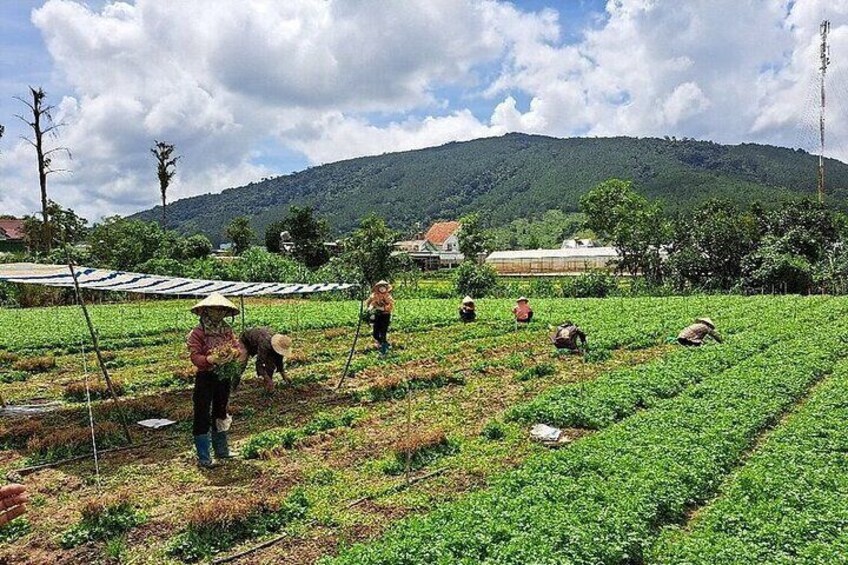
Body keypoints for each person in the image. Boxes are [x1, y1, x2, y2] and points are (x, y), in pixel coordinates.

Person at [187, 293, 245, 468]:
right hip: (206, 377)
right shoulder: (197, 332)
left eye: (222, 310)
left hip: (223, 376)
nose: (219, 313)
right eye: (215, 309)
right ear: (206, 310)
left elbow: (236, 347)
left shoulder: (226, 330)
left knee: (221, 410)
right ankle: (204, 456)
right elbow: (195, 356)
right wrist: (210, 360)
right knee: (202, 413)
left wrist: (233, 354)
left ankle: (222, 450)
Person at [240, 327, 293, 393]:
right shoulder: (265, 344)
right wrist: (267, 379)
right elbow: (259, 363)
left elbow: (279, 360)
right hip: (246, 341)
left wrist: (283, 375)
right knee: (241, 364)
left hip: (258, 342)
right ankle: (233, 386)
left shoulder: (279, 344)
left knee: (271, 364)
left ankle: (267, 387)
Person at [365, 280, 395, 355]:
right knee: (375, 332)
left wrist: (382, 308)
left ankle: (384, 346)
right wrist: (370, 308)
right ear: (378, 288)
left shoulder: (388, 296)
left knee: (383, 331)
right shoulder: (374, 295)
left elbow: (390, 306)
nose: (382, 289)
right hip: (377, 315)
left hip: (385, 315)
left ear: (386, 288)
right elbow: (370, 302)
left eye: (383, 287)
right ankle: (382, 342)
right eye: (380, 287)